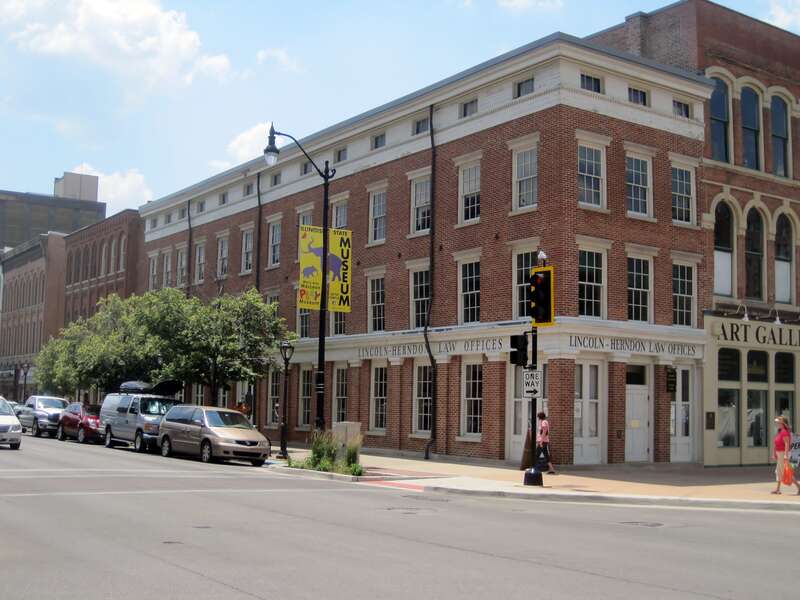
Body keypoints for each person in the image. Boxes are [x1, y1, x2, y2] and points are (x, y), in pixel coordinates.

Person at [772, 415, 799, 495]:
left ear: (782, 423)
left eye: (779, 422)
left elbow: (787, 444)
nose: (777, 424)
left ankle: (798, 486)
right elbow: (776, 443)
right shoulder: (780, 431)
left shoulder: (784, 432)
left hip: (783, 453)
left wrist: (786, 455)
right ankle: (777, 489)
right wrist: (774, 454)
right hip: (779, 453)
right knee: (779, 472)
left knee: (785, 472)